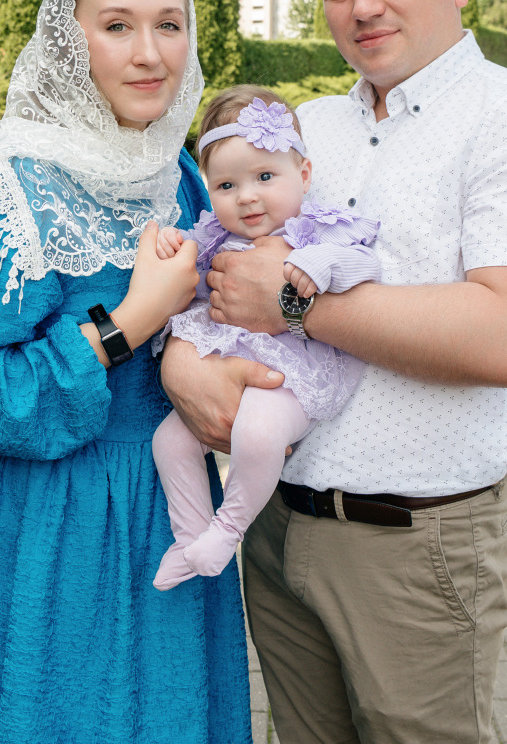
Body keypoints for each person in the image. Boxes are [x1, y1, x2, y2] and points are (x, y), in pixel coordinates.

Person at [160, 0, 507, 744]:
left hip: (414, 544)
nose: (363, 6)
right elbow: (211, 264)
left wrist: (292, 303)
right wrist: (181, 365)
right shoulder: (303, 131)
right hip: (275, 522)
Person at [0, 0, 250, 744]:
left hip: (164, 508)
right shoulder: (12, 179)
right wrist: (127, 323)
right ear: (68, 40)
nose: (149, 54)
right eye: (117, 26)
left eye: (169, 25)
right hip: (45, 527)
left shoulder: (185, 174)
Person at [150, 86, 380, 590]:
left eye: (265, 177)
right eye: (227, 185)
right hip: (233, 363)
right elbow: (188, 263)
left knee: (257, 433)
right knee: (168, 441)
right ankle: (190, 538)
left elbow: (365, 264)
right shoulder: (216, 235)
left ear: (304, 175)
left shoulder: (318, 229)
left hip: (295, 374)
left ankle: (227, 529)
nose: (247, 195)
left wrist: (320, 264)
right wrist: (174, 244)